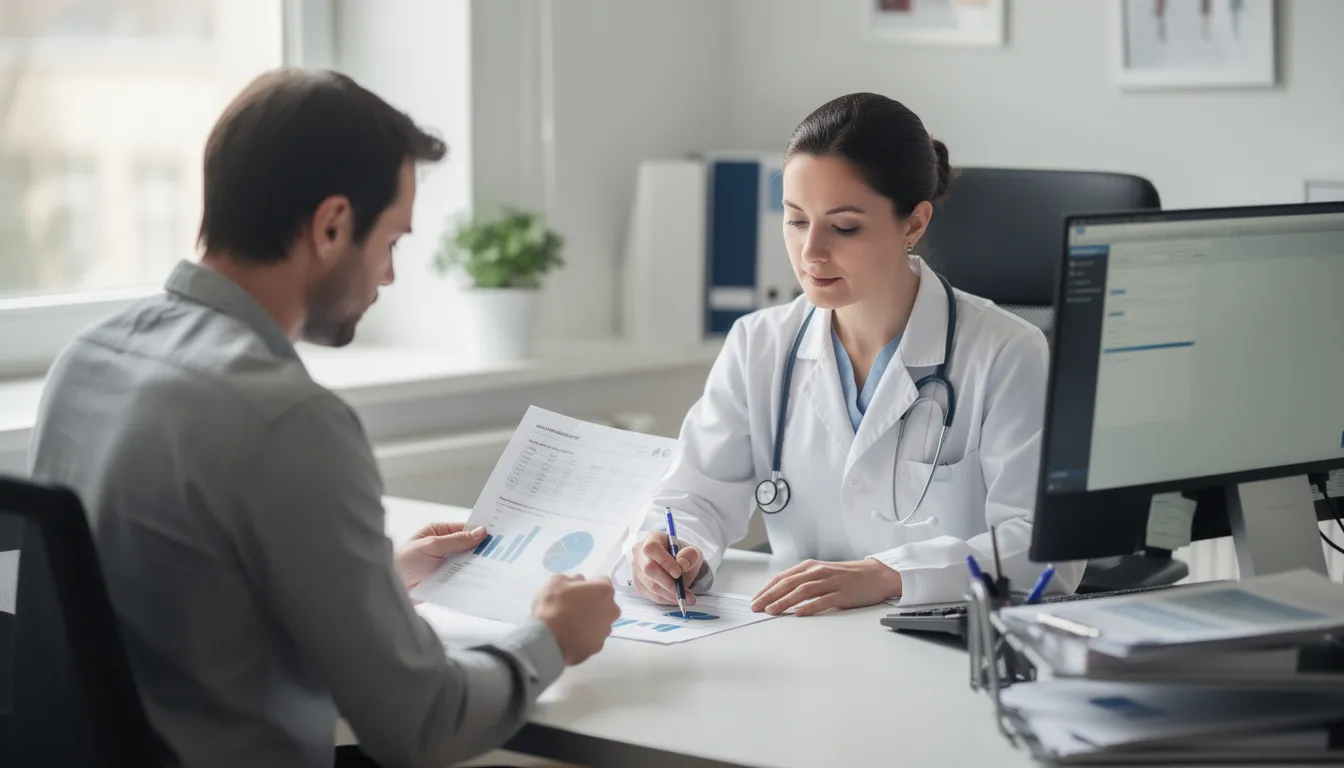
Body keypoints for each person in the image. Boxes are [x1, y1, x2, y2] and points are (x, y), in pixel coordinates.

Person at [27, 68, 619, 768]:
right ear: (333, 224)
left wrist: (374, 581)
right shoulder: (286, 421)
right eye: (393, 242)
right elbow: (424, 724)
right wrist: (552, 637)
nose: (390, 278)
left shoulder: (86, 360)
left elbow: (169, 603)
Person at [620, 93, 1083, 614]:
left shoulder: (1005, 351)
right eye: (796, 220)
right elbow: (695, 494)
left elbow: (1046, 551)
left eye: (844, 227)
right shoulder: (760, 343)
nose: (811, 252)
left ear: (913, 223)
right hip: (804, 639)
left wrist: (889, 576)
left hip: (948, 642)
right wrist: (667, 548)